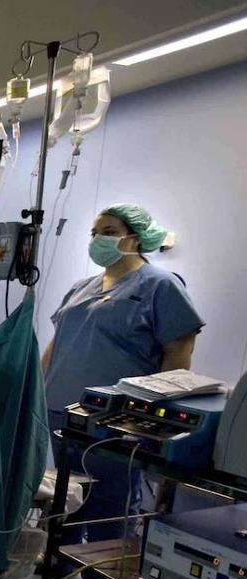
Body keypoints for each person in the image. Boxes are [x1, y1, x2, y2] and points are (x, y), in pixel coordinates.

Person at [42, 203, 203, 543]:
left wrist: (155, 421)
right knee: (67, 498)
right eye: (95, 233)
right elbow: (58, 344)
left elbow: (178, 351)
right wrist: (35, 390)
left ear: (135, 237)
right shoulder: (81, 287)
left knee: (109, 504)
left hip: (115, 421)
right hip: (63, 414)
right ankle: (61, 567)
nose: (98, 239)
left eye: (109, 232)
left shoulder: (160, 285)